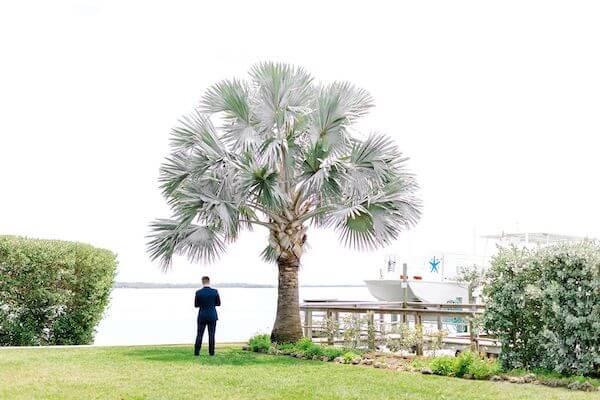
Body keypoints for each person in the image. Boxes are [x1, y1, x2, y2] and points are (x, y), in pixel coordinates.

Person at [194, 276, 221, 356]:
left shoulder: (198, 292)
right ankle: (212, 353)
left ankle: (196, 352)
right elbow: (218, 304)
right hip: (212, 315)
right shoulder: (215, 291)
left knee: (199, 334)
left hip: (202, 315)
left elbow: (196, 305)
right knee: (212, 334)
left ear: (202, 282)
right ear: (209, 282)